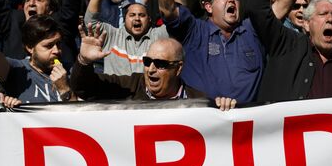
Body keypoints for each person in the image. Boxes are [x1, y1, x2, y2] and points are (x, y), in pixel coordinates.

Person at [71, 24, 236, 110]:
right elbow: (84, 89)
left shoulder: (199, 101)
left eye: (160, 64)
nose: (150, 69)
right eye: (147, 61)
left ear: (178, 68)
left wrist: (223, 109)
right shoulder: (130, 86)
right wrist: (84, 61)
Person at [84, 0, 169, 75]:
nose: (137, 18)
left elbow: (176, 22)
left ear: (149, 19)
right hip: (103, 63)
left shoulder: (131, 3)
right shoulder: (111, 32)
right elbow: (90, 21)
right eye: (132, 15)